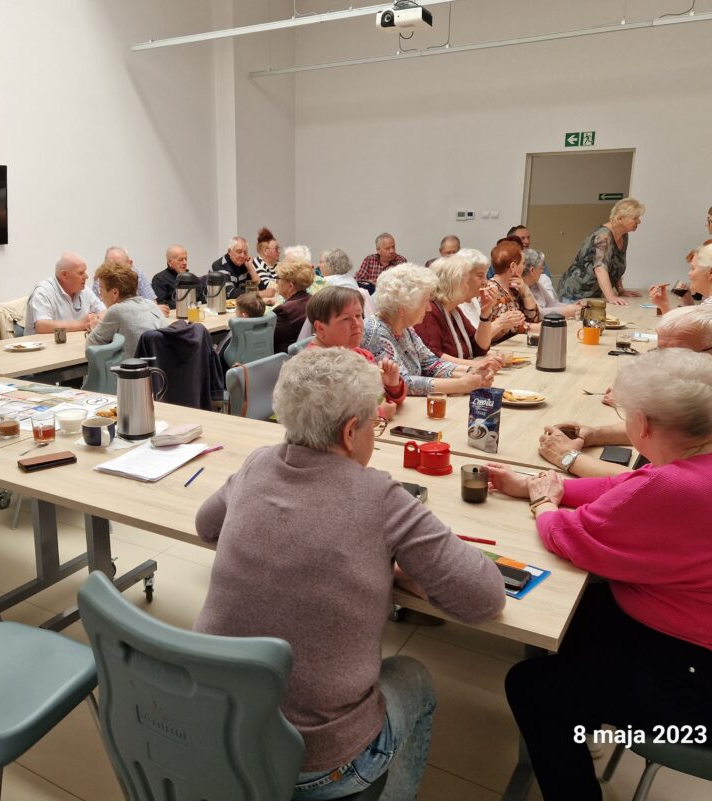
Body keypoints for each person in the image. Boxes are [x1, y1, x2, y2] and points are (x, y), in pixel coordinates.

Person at [492, 348, 712, 801]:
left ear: (640, 425)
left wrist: (544, 505)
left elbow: (574, 538)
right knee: (583, 612)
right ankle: (581, 725)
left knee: (533, 687)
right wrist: (538, 485)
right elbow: (624, 487)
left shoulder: (677, 486)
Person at [194, 348, 505, 801]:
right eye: (374, 424)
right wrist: (392, 568)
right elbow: (484, 597)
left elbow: (206, 526)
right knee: (414, 676)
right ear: (349, 431)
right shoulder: (379, 495)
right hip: (318, 763)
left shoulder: (257, 463)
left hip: (219, 727)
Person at [536, 306, 712, 598]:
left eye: (677, 355)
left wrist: (567, 460)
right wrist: (593, 433)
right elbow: (666, 437)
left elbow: (652, 483)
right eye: (659, 353)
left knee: (585, 580)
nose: (663, 366)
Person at [361, 264, 493, 396]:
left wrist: (471, 372)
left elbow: (431, 363)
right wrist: (462, 385)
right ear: (403, 308)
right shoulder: (375, 332)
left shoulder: (406, 329)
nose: (429, 308)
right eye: (425, 302)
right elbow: (403, 382)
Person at [305, 286, 406, 420]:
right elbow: (329, 420)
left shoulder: (360, 354)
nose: (356, 324)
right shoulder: (317, 368)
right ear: (320, 327)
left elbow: (387, 404)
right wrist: (377, 414)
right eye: (345, 319)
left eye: (358, 315)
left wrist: (391, 385)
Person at [413, 252, 505, 370]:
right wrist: (476, 365)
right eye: (465, 282)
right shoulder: (429, 311)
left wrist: (486, 313)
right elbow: (433, 357)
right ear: (452, 284)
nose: (485, 282)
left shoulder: (454, 310)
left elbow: (479, 347)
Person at [557, 198, 645, 304]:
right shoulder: (603, 236)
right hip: (574, 294)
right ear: (620, 218)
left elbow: (615, 266)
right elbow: (600, 268)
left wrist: (621, 290)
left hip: (592, 296)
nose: (639, 222)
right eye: (635, 218)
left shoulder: (623, 235)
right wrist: (611, 297)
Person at [87, 262, 169, 356]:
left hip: (133, 368)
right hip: (161, 367)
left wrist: (95, 327)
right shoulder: (151, 304)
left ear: (115, 293)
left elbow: (90, 346)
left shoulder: (116, 311)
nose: (100, 295)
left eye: (101, 290)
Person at [24, 252, 106, 335]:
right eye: (81, 273)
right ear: (64, 275)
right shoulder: (43, 292)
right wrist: (80, 324)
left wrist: (96, 319)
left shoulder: (85, 290)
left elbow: (105, 311)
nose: (86, 276)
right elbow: (42, 326)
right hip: (45, 346)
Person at [483, 239, 540, 341]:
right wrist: (542, 328)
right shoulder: (491, 291)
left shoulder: (514, 289)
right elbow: (508, 328)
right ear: (513, 266)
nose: (524, 267)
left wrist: (525, 289)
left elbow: (534, 318)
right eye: (523, 263)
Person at [90, 247, 160, 307]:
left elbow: (152, 303)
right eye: (110, 266)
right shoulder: (100, 280)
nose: (114, 271)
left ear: (130, 264)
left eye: (119, 267)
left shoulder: (137, 274)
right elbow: (97, 308)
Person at [271, 260, 314, 354]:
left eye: (278, 279)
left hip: (282, 361)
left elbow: (266, 339)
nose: (276, 282)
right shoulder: (312, 300)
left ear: (290, 286)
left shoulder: (284, 311)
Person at [521, 249, 579, 319]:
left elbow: (552, 304)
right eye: (541, 268)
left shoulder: (536, 284)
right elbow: (539, 313)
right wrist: (566, 311)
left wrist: (573, 306)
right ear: (532, 270)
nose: (542, 271)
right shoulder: (522, 288)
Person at [319, 248, 373, 318]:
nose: (318, 265)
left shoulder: (326, 281)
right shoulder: (350, 278)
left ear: (330, 265)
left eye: (321, 262)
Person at [252, 227, 281, 294]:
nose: (279, 251)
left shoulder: (277, 263)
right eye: (276, 249)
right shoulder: (258, 264)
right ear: (265, 251)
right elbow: (268, 288)